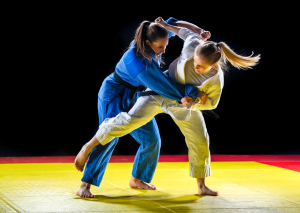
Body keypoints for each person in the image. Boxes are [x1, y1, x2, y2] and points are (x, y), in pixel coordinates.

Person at [75, 17, 261, 196]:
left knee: (157, 140)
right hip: (123, 92)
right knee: (113, 132)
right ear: (148, 43)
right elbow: (162, 84)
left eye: (165, 45)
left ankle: (141, 179)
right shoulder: (138, 63)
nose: (164, 50)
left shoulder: (160, 37)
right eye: (160, 47)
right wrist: (193, 94)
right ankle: (86, 180)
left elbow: (177, 26)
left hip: (155, 95)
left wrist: (196, 31)